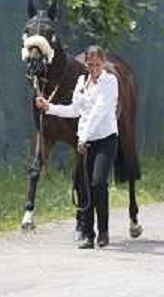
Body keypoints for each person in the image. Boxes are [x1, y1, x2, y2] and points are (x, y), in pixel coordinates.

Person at [36, 45, 118, 249]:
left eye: (97, 64)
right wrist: (49, 107)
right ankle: (89, 234)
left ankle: (104, 232)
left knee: (98, 183)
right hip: (86, 142)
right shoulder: (82, 82)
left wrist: (83, 138)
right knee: (85, 186)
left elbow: (99, 112)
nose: (93, 68)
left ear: (103, 63)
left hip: (105, 140)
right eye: (90, 64)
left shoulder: (110, 82)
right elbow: (75, 110)